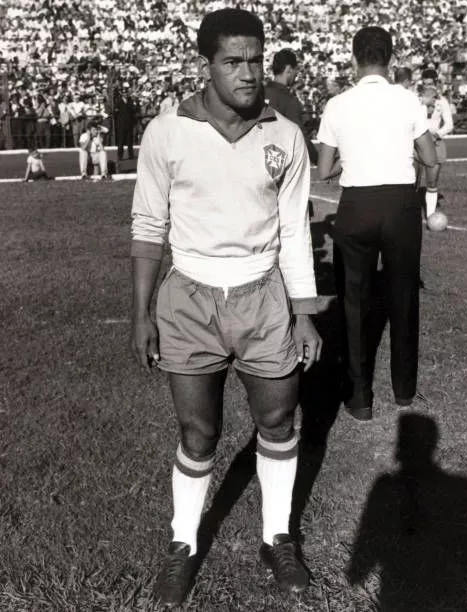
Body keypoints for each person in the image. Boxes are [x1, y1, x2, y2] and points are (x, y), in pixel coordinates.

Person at [131, 8, 321, 607]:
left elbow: (294, 229)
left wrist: (304, 310)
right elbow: (147, 226)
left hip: (263, 296)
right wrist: (142, 314)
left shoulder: (284, 135)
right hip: (188, 297)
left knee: (278, 423)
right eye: (233, 62)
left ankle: (277, 536)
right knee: (198, 431)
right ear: (205, 65)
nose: (248, 73)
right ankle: (184, 544)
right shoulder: (167, 131)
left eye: (256, 60)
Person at [317, 26, 437, 421]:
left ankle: (359, 399)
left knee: (354, 305)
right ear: (390, 59)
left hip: (357, 205)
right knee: (404, 298)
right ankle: (404, 392)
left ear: (354, 60)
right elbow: (429, 157)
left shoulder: (337, 104)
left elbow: (324, 170)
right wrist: (427, 190)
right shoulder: (407, 100)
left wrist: (350, 158)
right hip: (400, 204)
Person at [264, 48, 318, 164]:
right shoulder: (288, 99)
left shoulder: (259, 93)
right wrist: (317, 158)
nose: (296, 74)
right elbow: (300, 137)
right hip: (277, 161)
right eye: (295, 70)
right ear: (288, 69)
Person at [417, 68, 454, 216]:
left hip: (435, 142)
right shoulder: (415, 99)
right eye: (425, 84)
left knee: (432, 182)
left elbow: (449, 124)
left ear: (436, 83)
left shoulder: (442, 101)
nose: (428, 87)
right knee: (411, 181)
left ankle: (431, 215)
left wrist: (437, 135)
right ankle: (409, 214)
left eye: (431, 84)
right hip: (417, 143)